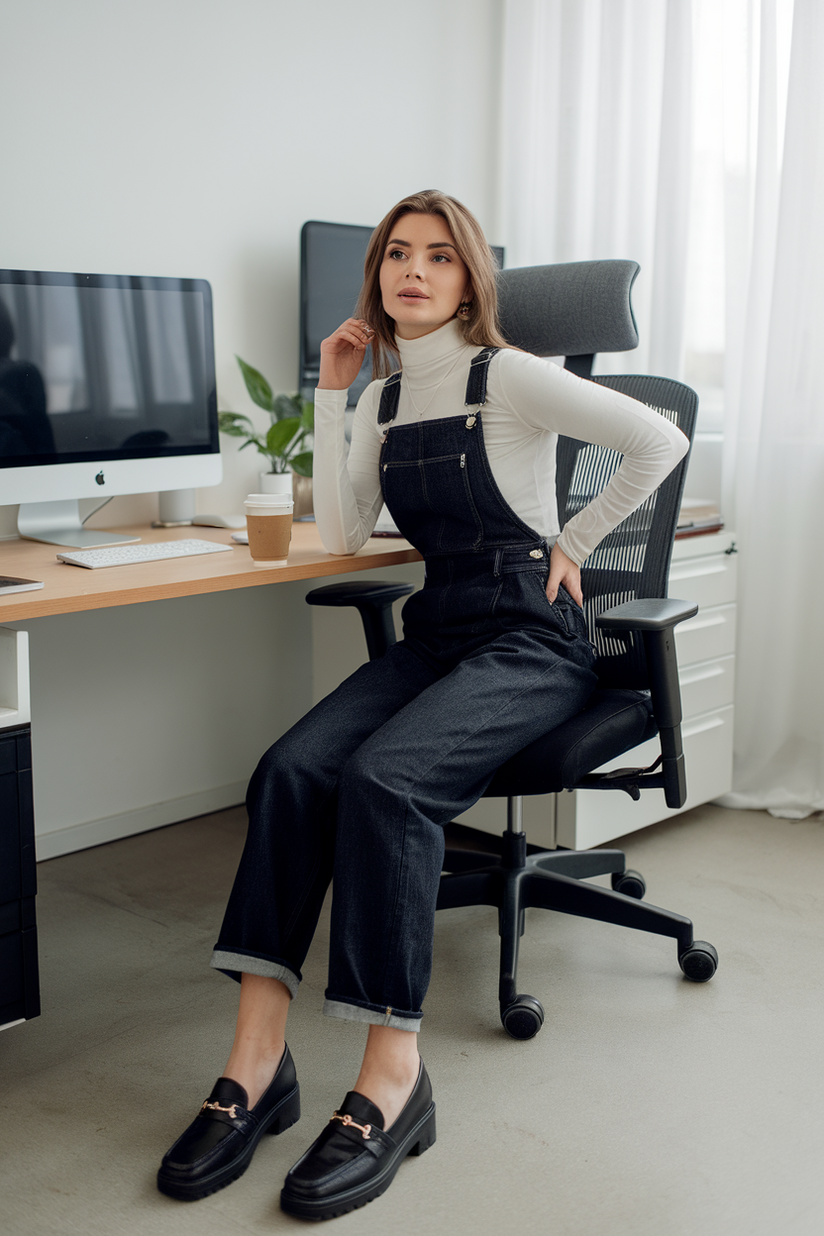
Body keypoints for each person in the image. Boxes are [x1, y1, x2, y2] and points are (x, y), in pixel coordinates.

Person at [157, 190, 689, 1221]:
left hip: (531, 634)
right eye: (397, 254)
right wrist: (331, 389)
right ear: (377, 280)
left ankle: (392, 1081)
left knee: (386, 782)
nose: (412, 270)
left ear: (467, 279)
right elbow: (343, 542)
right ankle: (257, 1066)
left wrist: (572, 548)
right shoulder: (385, 401)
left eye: (437, 257)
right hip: (441, 627)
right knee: (292, 770)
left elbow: (656, 442)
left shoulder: (513, 376)